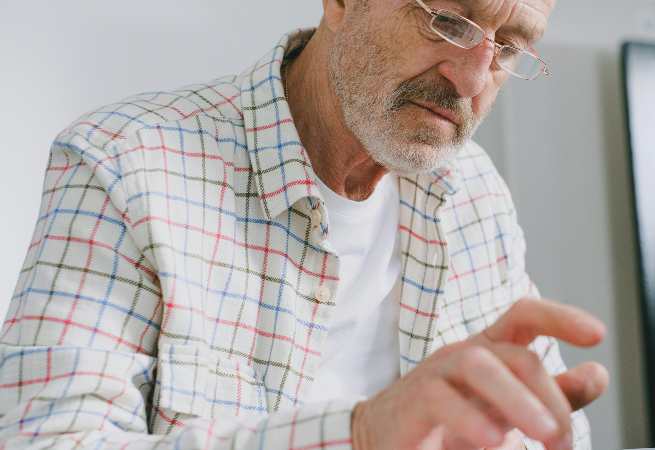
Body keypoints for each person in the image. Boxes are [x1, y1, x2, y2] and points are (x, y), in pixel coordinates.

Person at [0, 0, 609, 449]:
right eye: (448, 21)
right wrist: (362, 434)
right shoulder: (122, 164)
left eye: (507, 48)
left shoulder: (472, 188)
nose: (472, 81)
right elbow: (52, 440)